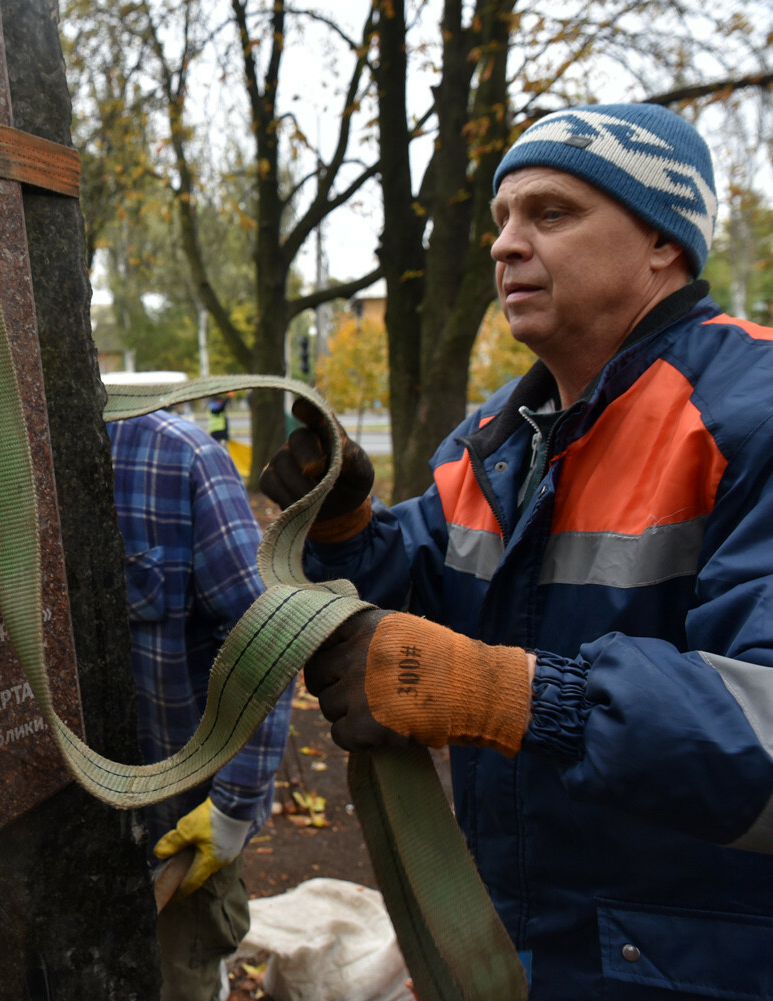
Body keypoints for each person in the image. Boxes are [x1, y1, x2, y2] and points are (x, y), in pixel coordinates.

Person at [265, 103, 773, 999]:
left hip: (700, 961)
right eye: (501, 219)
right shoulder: (500, 435)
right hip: (519, 942)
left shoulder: (752, 410)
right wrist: (347, 528)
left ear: (663, 242)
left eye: (551, 213)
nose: (505, 244)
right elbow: (416, 590)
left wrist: (508, 694)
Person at [108, 410, 293, 1001]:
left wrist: (233, 808)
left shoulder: (179, 456)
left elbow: (264, 639)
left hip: (173, 842)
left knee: (179, 986)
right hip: (42, 848)